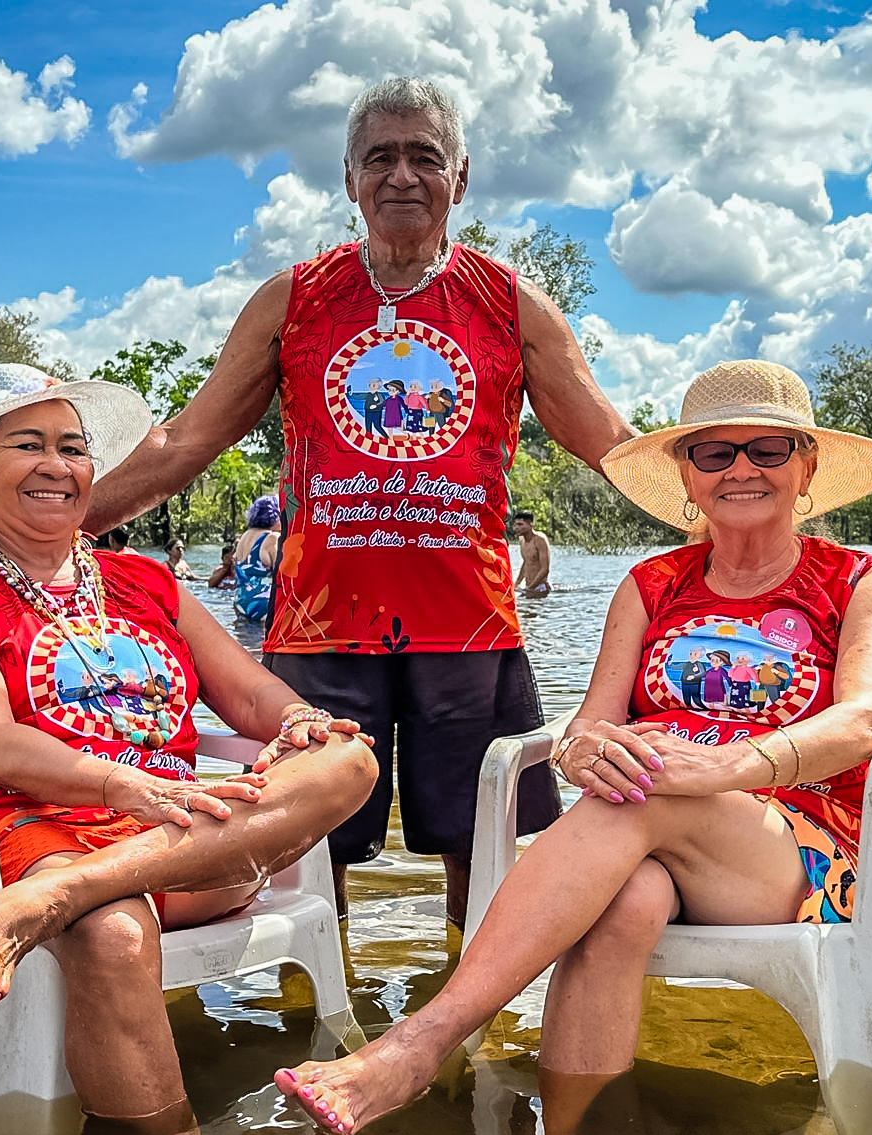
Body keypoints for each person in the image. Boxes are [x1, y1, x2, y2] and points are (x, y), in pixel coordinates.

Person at [273, 359, 872, 1135]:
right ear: (688, 473)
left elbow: (864, 723)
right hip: (646, 825)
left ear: (805, 466)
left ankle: (420, 1041)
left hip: (792, 851)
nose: (742, 469)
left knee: (644, 796)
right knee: (626, 901)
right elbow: (588, 727)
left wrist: (722, 767)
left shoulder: (858, 580)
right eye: (715, 453)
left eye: (767, 450)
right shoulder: (653, 582)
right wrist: (584, 755)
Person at [87, 78, 634, 928]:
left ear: (462, 176)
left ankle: (466, 1029)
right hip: (319, 622)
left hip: (469, 623)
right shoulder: (294, 299)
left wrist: (725, 511)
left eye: (425, 157)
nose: (403, 176)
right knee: (313, 848)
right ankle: (326, 1020)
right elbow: (188, 440)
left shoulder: (512, 304)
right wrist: (53, 520)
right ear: (349, 178)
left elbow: (609, 442)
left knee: (476, 838)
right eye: (381, 157)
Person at [0, 363, 378, 1135]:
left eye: (74, 448)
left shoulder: (146, 580)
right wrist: (125, 787)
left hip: (179, 839)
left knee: (348, 759)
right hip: (30, 833)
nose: (59, 466)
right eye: (28, 445)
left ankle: (65, 898)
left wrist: (298, 721)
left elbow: (249, 698)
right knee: (110, 930)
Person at [233, 494, 281, 623]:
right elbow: (282, 574)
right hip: (262, 601)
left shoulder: (243, 538)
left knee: (245, 641)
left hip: (240, 600)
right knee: (262, 641)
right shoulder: (271, 538)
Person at [510, 510, 551, 597]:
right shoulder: (521, 540)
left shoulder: (540, 539)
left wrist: (531, 588)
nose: (516, 528)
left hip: (540, 588)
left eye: (520, 524)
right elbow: (526, 562)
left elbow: (545, 569)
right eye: (516, 524)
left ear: (530, 524)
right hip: (529, 587)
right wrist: (516, 584)